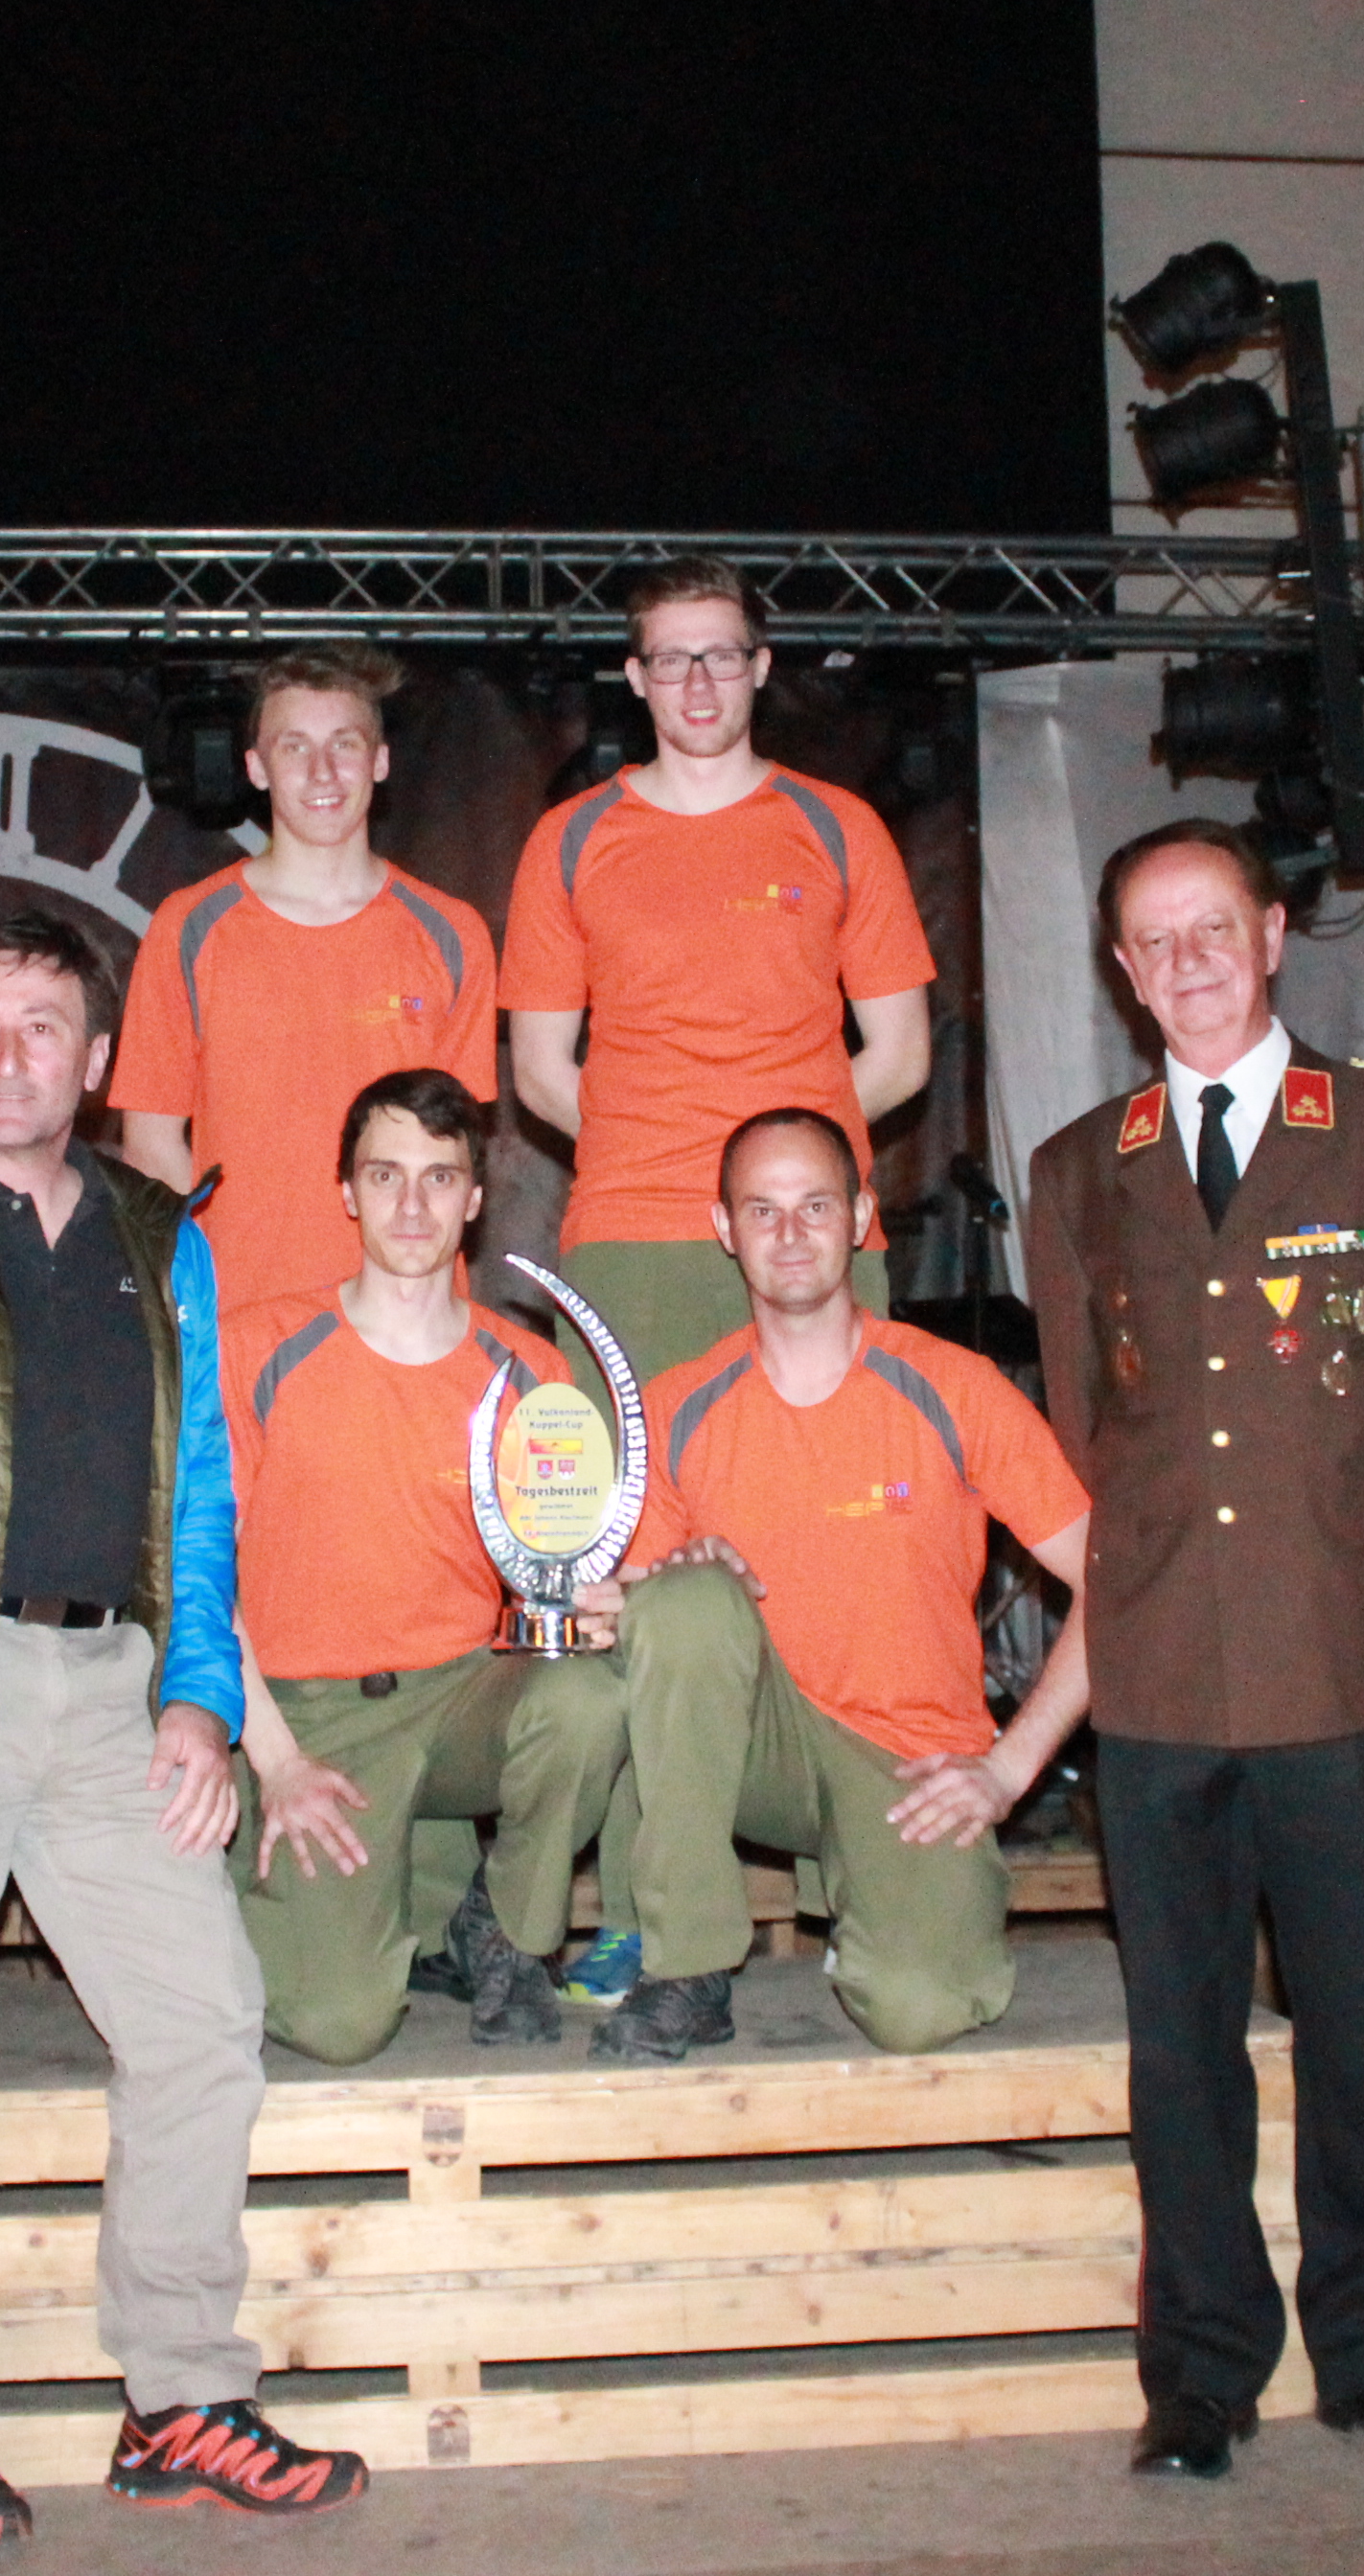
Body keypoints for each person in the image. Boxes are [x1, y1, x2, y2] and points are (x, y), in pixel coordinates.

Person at [0, 908, 367, 2547]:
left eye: (42, 1024)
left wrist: (198, 1700)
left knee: (203, 2025)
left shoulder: (160, 1238)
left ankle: (178, 2396)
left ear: (97, 1060)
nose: (8, 1053)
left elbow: (201, 1492)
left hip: (113, 1699)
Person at [1023, 817, 1364, 2482]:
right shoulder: (1077, 1172)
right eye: (1152, 941)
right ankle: (1199, 2374)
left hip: (1335, 1662)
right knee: (1179, 2052)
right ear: (1121, 970)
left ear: (1270, 935)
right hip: (1161, 1674)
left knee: (1352, 2036)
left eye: (1210, 929)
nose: (1185, 963)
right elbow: (1084, 1429)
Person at [503, 553, 938, 2003]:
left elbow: (899, 1052)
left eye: (722, 654)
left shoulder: (838, 828)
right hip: (632, 1241)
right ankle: (647, 1909)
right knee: (644, 1581)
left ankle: (865, 1882)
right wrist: (668, 1156)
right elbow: (540, 1071)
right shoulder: (572, 839)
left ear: (761, 667)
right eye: (670, 658)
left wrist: (780, 1184)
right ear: (634, 679)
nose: (698, 680)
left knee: (846, 1557)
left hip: (818, 1241)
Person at [585, 1107, 1095, 2062]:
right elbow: (634, 1615)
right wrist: (629, 1594)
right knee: (685, 1601)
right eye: (762, 1209)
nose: (789, 1232)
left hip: (910, 1767)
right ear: (724, 1228)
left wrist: (1010, 1767)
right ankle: (688, 1961)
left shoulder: (956, 1387)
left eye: (815, 1205)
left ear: (861, 1216)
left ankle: (880, 1908)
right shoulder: (676, 1407)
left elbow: (1114, 1582)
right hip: (757, 1750)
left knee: (920, 2009)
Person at [213, 1067, 631, 2060]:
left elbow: (554, 1570)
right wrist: (276, 1760)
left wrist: (584, 1599)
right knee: (339, 2024)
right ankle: (311, 1891)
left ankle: (508, 1931)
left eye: (439, 1178)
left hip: (459, 1698)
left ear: (474, 1200)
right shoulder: (256, 1349)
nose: (412, 1205)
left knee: (588, 1695)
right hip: (309, 1716)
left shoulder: (531, 1372)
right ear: (346, 1192)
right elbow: (196, 1578)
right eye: (385, 1175)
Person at [112, 642, 503, 1314]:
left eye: (344, 744)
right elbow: (151, 1147)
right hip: (240, 1320)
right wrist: (201, 1305)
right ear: (255, 768)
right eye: (294, 747)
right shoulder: (189, 928)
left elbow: (453, 1154)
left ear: (380, 761)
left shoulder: (450, 932)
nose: (322, 771)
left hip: (407, 1326)